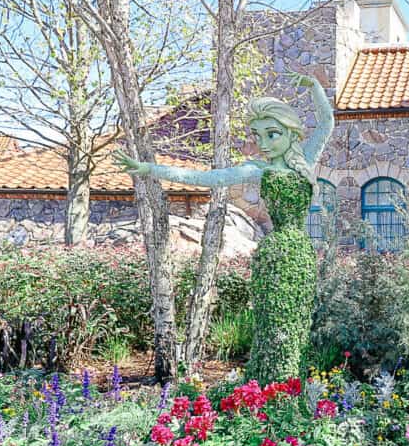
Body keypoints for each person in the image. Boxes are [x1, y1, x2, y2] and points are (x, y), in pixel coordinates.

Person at [116, 74, 333, 381]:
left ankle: (289, 390)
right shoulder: (259, 168)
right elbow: (209, 178)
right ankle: (271, 390)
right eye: (258, 136)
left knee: (295, 326)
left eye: (272, 134)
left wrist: (316, 89)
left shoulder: (305, 161)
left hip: (300, 256)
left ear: (291, 133)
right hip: (274, 255)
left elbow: (326, 123)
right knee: (272, 325)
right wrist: (151, 169)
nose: (264, 143)